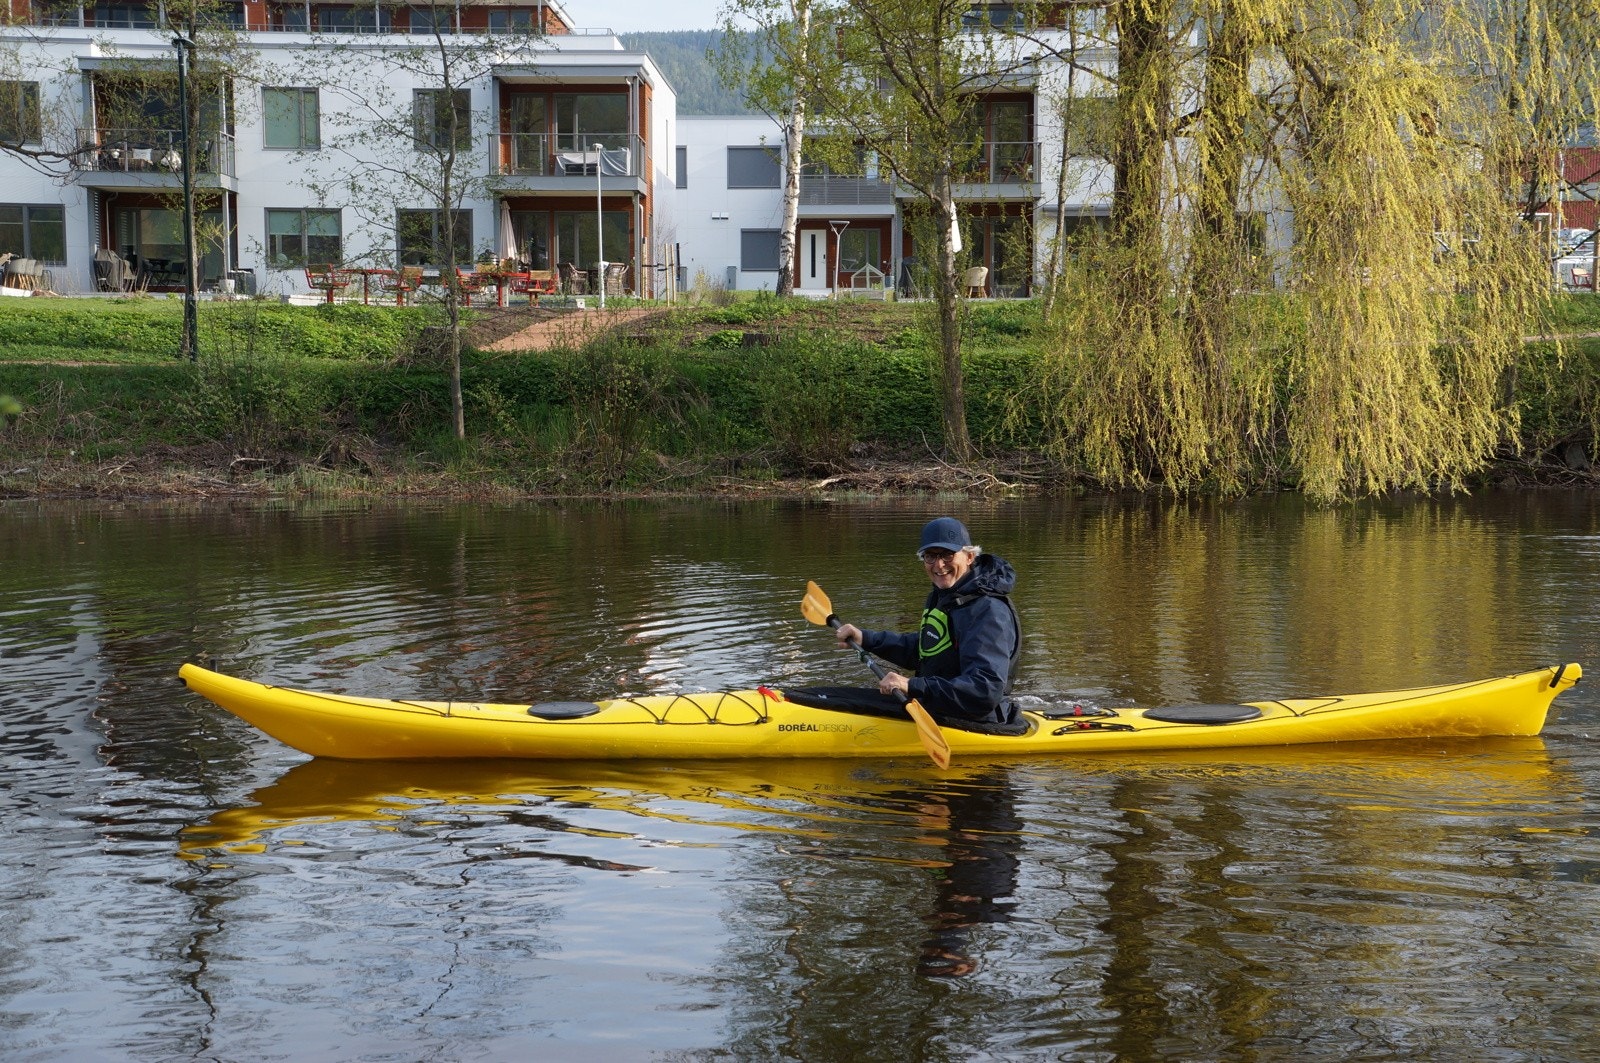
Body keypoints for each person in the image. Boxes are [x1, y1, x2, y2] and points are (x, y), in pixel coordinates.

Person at [834, 517, 1023, 729]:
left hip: (975, 720)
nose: (939, 565)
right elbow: (929, 649)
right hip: (938, 706)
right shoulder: (946, 595)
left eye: (947, 555)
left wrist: (911, 685)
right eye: (930, 556)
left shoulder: (988, 611)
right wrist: (867, 639)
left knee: (835, 701)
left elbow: (984, 689)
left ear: (969, 556)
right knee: (828, 697)